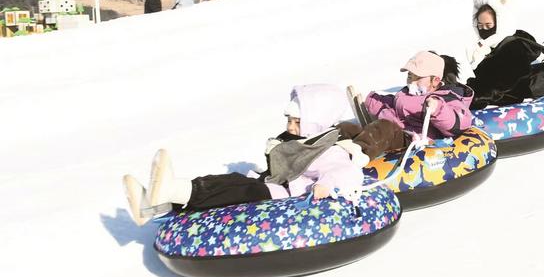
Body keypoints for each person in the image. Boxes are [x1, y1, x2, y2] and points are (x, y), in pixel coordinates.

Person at [122, 84, 407, 226]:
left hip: (281, 198)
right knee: (226, 182)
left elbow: (345, 172)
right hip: (271, 185)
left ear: (316, 121)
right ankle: (156, 204)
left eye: (297, 121)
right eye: (289, 120)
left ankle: (171, 190)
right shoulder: (304, 142)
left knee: (236, 189)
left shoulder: (329, 149)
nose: (290, 126)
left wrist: (326, 185)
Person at [364, 51, 474, 139]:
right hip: (395, 129)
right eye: (410, 76)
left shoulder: (445, 99)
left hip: (415, 139)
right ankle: (351, 146)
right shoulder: (408, 93)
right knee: (350, 129)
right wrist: (373, 101)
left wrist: (438, 109)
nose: (412, 82)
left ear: (435, 81)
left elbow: (461, 121)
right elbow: (394, 104)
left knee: (381, 133)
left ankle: (357, 153)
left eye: (418, 78)